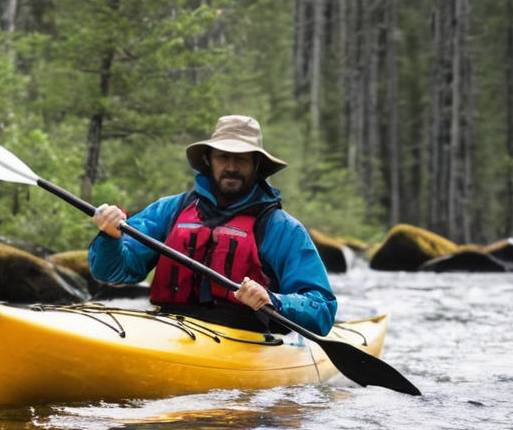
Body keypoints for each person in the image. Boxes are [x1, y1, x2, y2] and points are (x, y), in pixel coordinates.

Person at [88, 115, 337, 335]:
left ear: (256, 165)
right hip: (169, 329)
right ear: (208, 160)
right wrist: (110, 238)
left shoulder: (282, 229)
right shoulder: (169, 210)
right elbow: (112, 272)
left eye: (241, 160)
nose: (231, 167)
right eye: (223, 157)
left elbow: (323, 309)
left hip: (245, 335)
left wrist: (274, 300)